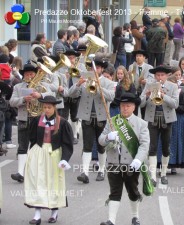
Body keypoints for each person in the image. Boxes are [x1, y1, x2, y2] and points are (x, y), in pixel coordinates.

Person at [99, 92, 149, 225]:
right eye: (122, 106)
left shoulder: (141, 124)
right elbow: (100, 140)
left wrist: (138, 160)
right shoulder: (112, 121)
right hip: (113, 163)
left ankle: (135, 216)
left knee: (132, 191)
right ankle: (111, 220)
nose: (125, 108)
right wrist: (108, 137)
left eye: (128, 105)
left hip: (131, 164)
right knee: (114, 192)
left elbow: (144, 145)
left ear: (134, 107)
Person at [24, 95, 73, 224]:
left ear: (54, 107)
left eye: (49, 107)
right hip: (39, 153)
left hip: (54, 155)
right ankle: (37, 214)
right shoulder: (36, 120)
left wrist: (64, 159)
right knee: (37, 181)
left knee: (54, 183)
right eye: (44, 107)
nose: (46, 110)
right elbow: (32, 138)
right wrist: (32, 152)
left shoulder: (62, 123)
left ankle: (54, 212)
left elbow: (67, 143)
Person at [68, 57, 115, 183]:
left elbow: (111, 96)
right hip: (87, 117)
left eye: (97, 68)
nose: (94, 70)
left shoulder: (107, 82)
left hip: (102, 118)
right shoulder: (84, 81)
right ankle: (85, 173)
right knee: (87, 146)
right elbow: (70, 94)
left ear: (101, 69)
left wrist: (98, 87)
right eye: (91, 68)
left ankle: (101, 170)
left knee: (101, 146)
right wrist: (78, 84)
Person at [9, 64, 54, 183]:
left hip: (39, 118)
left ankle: (36, 172)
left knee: (37, 146)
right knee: (22, 146)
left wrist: (40, 95)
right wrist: (23, 99)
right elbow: (12, 102)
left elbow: (52, 96)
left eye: (32, 74)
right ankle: (20, 172)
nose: (29, 76)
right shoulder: (18, 87)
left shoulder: (42, 85)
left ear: (35, 74)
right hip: (24, 118)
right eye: (27, 74)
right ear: (23, 75)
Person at [140, 65, 179, 186]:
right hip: (152, 119)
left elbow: (175, 104)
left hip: (167, 119)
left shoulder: (173, 86)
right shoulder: (149, 85)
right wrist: (146, 95)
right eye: (157, 75)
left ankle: (163, 174)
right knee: (152, 147)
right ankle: (153, 176)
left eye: (162, 75)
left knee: (166, 147)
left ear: (167, 76)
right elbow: (140, 104)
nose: (160, 77)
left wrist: (163, 96)